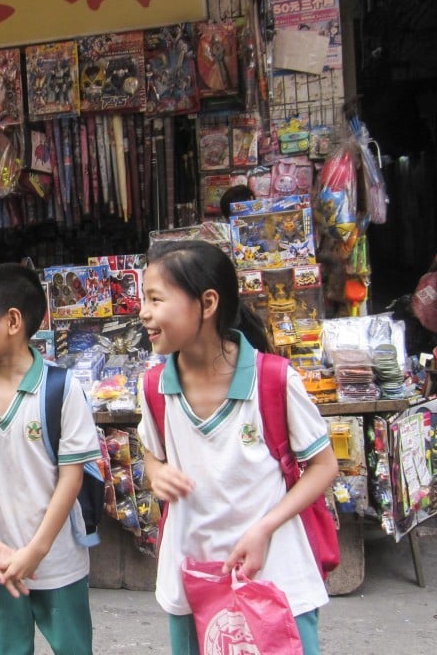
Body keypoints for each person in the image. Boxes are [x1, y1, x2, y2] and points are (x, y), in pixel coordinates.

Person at [136, 240, 338, 655]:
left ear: (207, 303)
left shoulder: (274, 380)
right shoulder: (154, 387)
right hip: (193, 575)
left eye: (156, 299)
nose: (143, 313)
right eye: (144, 299)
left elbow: (323, 465)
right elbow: (151, 453)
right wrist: (156, 473)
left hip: (276, 573)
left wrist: (263, 528)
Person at [0, 263, 100, 655]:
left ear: (12, 321)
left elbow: (71, 477)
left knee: (74, 648)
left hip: (57, 560)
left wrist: (37, 551)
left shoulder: (61, 389)